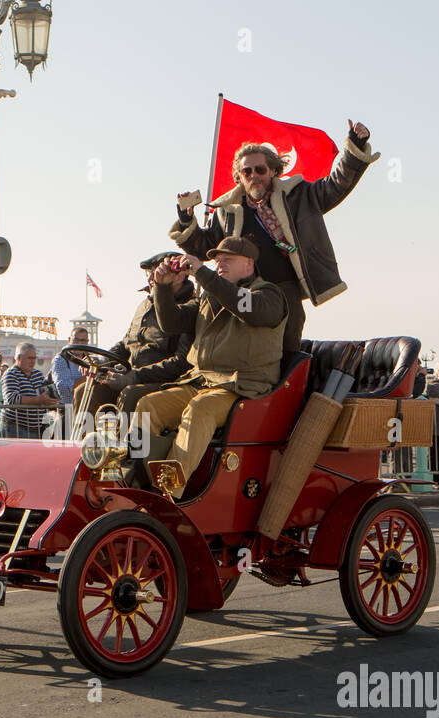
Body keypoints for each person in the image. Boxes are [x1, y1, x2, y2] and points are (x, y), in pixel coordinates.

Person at [171, 121, 377, 354]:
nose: (254, 176)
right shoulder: (227, 211)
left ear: (273, 171)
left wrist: (355, 146)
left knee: (287, 352)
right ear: (239, 177)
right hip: (244, 293)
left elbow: (336, 185)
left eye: (260, 169)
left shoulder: (299, 195)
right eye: (246, 171)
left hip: (284, 289)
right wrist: (187, 221)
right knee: (243, 350)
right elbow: (204, 247)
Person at [136, 236, 286, 497]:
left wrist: (202, 273)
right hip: (202, 382)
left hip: (242, 386)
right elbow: (171, 322)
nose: (219, 264)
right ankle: (139, 484)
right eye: (217, 260)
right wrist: (161, 287)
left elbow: (244, 306)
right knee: (148, 406)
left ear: (249, 265)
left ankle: (169, 493)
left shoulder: (268, 296)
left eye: (228, 259)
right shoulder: (210, 297)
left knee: (199, 410)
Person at [74, 252, 197, 425]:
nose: (151, 280)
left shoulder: (189, 308)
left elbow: (181, 362)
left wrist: (134, 377)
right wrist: (101, 362)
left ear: (179, 276)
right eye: (150, 275)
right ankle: (85, 448)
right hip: (129, 377)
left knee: (130, 394)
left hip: (163, 382)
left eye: (158, 274)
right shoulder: (144, 306)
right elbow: (126, 344)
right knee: (84, 392)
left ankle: (124, 450)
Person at [1, 343, 57, 439]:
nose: (33, 361)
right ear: (19, 358)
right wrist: (39, 400)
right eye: (30, 358)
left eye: (34, 358)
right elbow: (12, 398)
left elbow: (44, 394)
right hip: (15, 428)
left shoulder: (38, 374)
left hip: (37, 429)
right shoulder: (10, 374)